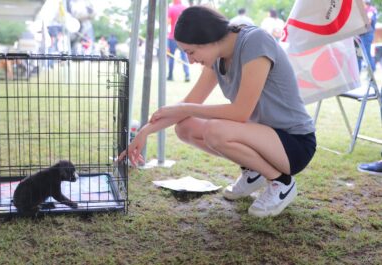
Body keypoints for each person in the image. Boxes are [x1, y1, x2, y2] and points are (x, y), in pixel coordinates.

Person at [118, 6, 316, 218]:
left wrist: (184, 108)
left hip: (294, 143)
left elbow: (240, 112)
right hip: (261, 137)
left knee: (215, 130)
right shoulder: (218, 57)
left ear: (208, 39)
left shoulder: (255, 41)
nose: (190, 60)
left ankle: (281, 182)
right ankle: (254, 171)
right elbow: (190, 104)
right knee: (185, 127)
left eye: (191, 52)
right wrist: (145, 132)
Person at [167, 0, 190, 82]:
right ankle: (187, 75)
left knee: (171, 57)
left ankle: (170, 76)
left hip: (172, 36)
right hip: (183, 37)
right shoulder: (185, 8)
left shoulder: (171, 8)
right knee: (184, 56)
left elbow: (168, 22)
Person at [357, 0, 378, 72]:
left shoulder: (370, 10)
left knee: (366, 53)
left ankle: (372, 69)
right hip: (363, 34)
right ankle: (359, 70)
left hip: (366, 34)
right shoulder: (366, 10)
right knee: (360, 53)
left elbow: (368, 21)